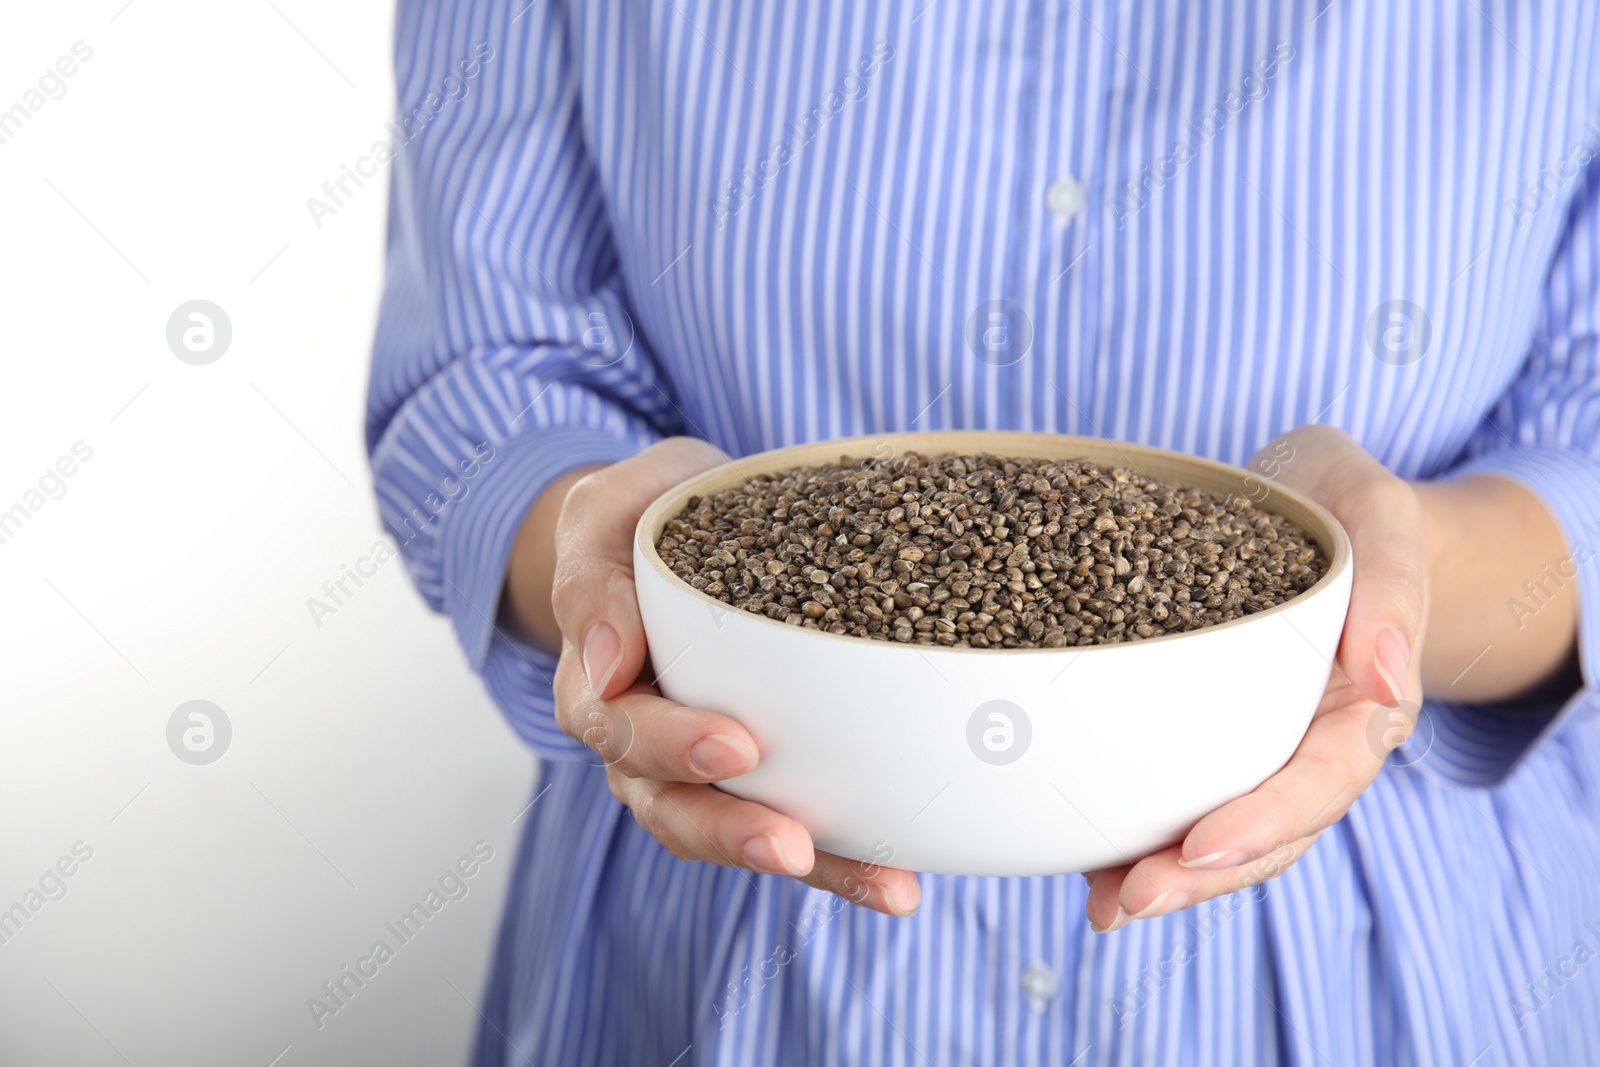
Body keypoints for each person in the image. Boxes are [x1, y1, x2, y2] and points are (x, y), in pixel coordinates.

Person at [365, 2, 1600, 1063]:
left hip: (1380, 972)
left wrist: (1394, 572)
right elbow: (482, 375)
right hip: (730, 931)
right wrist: (612, 560)